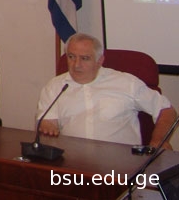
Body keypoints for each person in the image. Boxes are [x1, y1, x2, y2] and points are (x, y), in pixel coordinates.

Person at [36, 33, 176, 147]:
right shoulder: (55, 86)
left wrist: (159, 141)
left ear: (100, 61)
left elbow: (166, 110)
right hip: (72, 163)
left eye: (85, 58)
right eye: (71, 57)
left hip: (121, 164)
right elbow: (48, 123)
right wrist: (47, 127)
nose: (76, 64)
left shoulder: (126, 83)